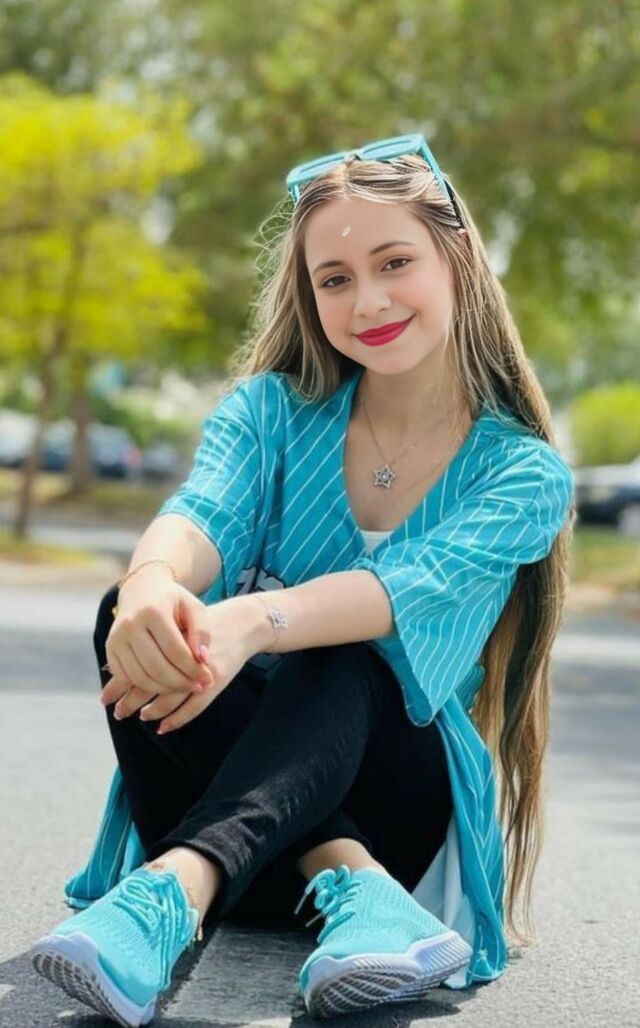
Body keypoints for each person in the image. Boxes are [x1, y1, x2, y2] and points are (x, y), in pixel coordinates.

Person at [30, 133, 575, 1025]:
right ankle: (341, 880)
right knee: (132, 611)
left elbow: (395, 592)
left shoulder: (522, 474)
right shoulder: (271, 412)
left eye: (394, 262)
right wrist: (153, 580)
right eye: (335, 279)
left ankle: (178, 890)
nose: (368, 300)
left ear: (458, 259)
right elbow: (201, 511)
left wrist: (253, 619)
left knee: (348, 654)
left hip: (395, 806)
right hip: (227, 812)